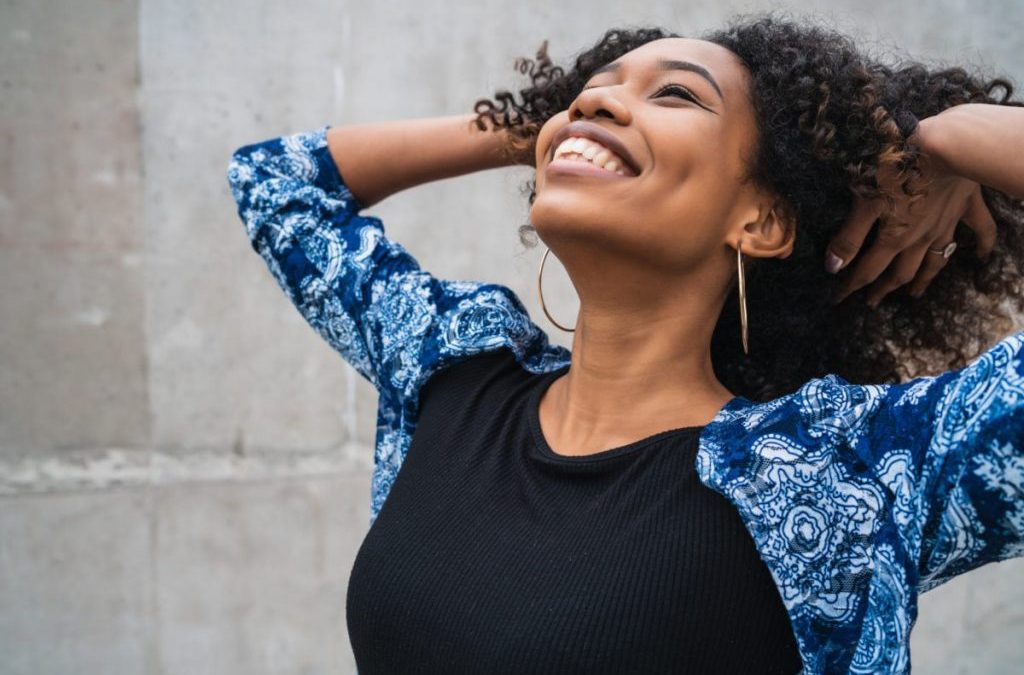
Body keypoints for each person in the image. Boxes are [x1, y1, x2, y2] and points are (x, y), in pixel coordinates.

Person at [226, 12, 1024, 675]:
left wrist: (942, 142)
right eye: (588, 93)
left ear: (763, 220)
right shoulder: (453, 369)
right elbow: (275, 183)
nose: (593, 106)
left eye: (676, 94)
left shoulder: (848, 469)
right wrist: (547, 125)